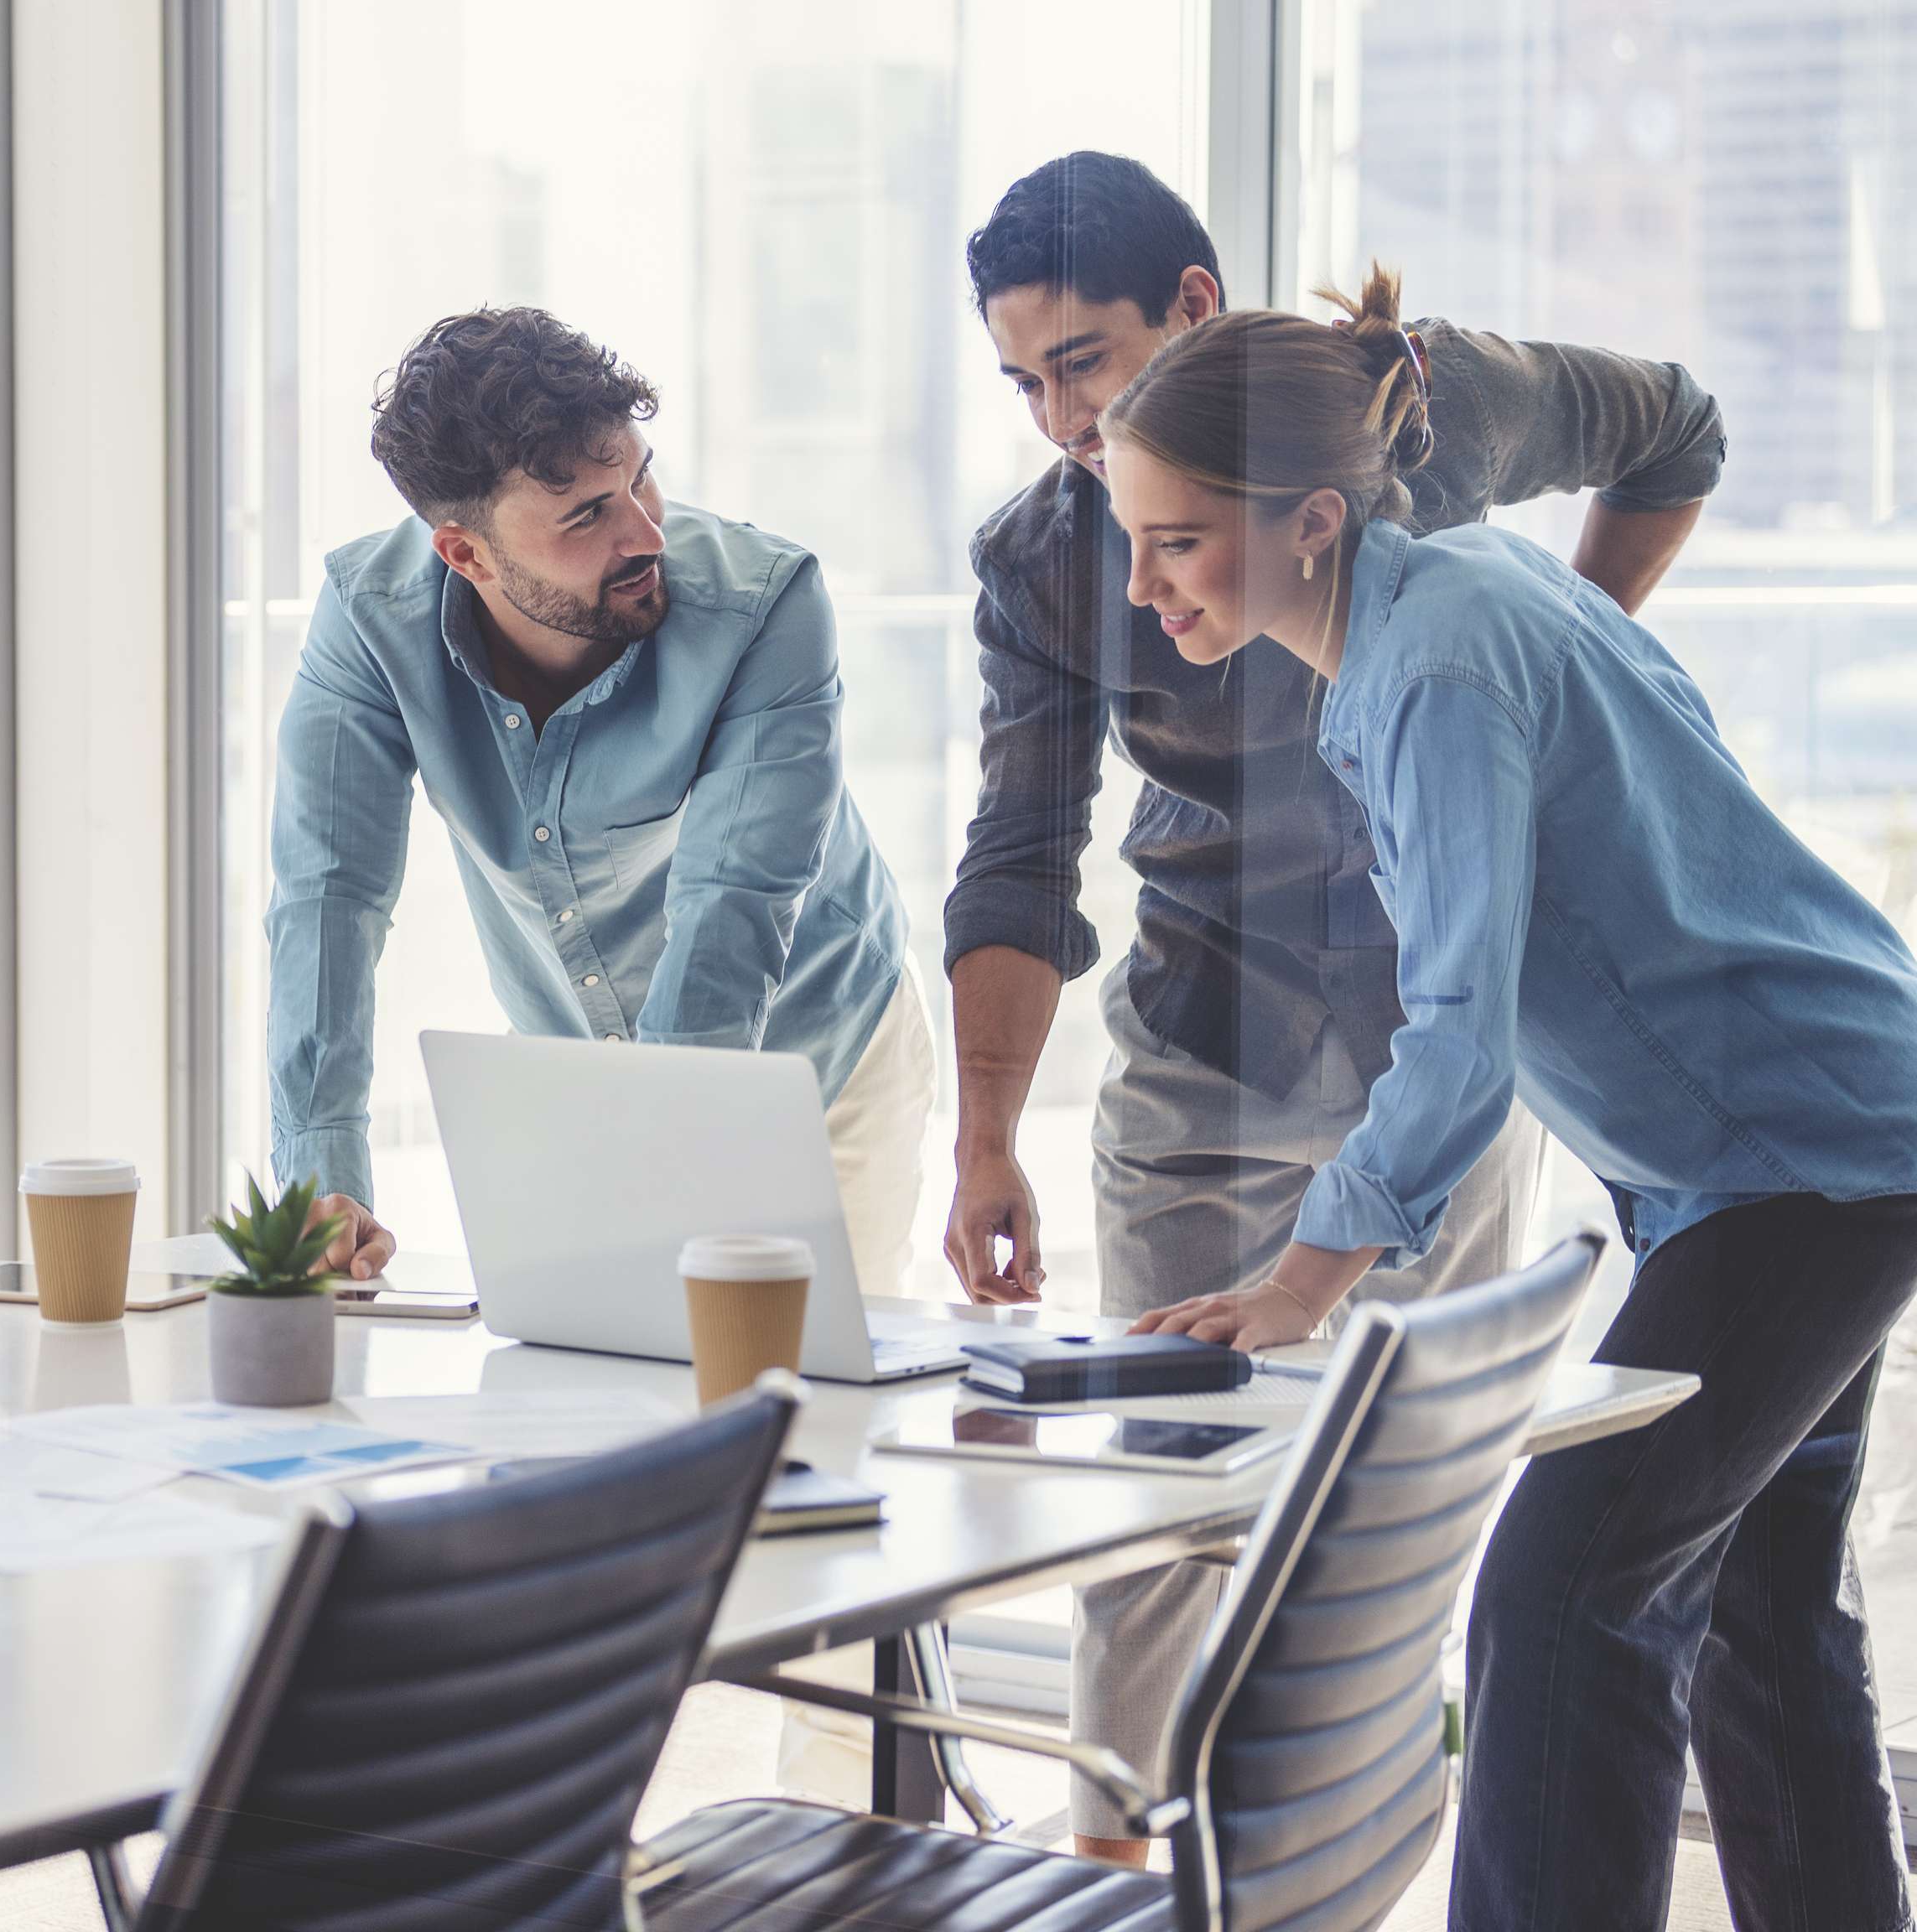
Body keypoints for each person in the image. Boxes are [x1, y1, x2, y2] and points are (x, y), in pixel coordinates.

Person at [1105, 271, 1917, 1931]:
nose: (1143, 584)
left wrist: (1301, 1282)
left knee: (1567, 1587)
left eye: (1176, 540)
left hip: (1807, 1162)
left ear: (1311, 521)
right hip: (1772, 1150)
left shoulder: (1436, 672)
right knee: (1759, 1601)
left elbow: (1461, 1030)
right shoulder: (1458, 601)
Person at [938, 151, 1726, 1862]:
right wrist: (986, 1131)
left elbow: (1678, 426)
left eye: (1079, 361)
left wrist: (1569, 651)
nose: (1057, 418)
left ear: (1195, 312)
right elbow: (1018, 851)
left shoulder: (1416, 410)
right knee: (1151, 1503)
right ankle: (1120, 1871)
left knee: (1406, 1497)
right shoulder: (1045, 560)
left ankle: (1336, 1868)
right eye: (1021, 381)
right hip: (1200, 1029)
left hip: (1434, 1037)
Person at [266, 308, 924, 1292]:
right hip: (582, 1071)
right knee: (593, 1397)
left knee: (797, 1392)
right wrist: (323, 1184)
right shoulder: (370, 621)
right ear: (467, 555)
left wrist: (651, 1181)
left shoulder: (766, 605)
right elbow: (328, 900)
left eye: (640, 478)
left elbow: (731, 909)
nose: (645, 532)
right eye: (586, 515)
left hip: (815, 1055)